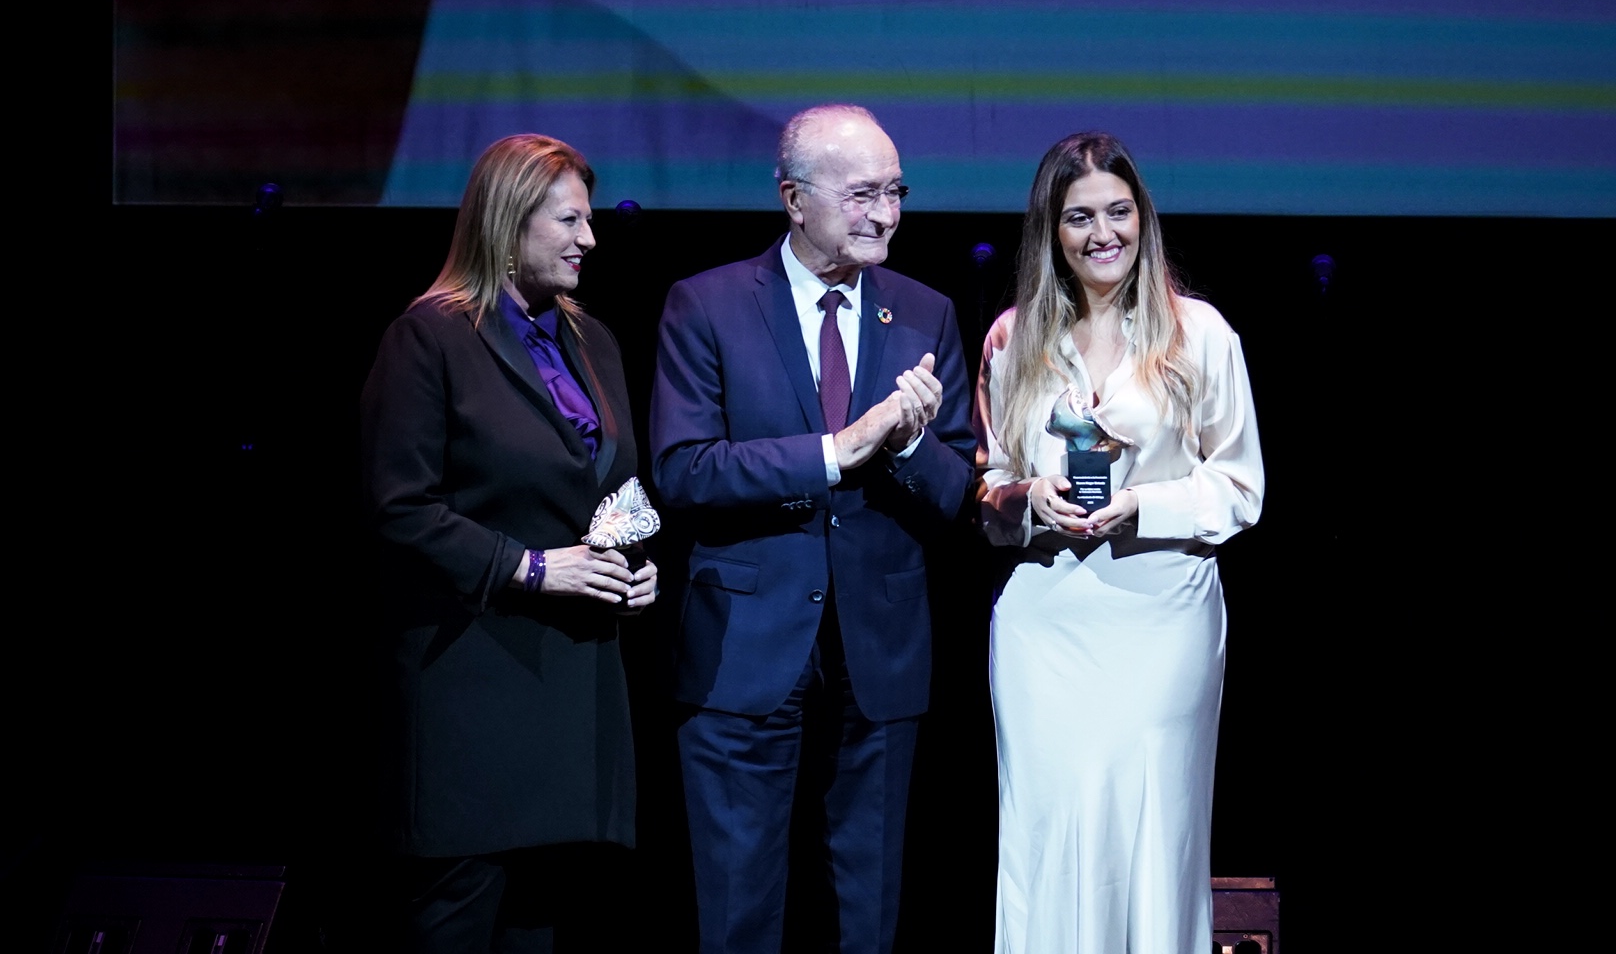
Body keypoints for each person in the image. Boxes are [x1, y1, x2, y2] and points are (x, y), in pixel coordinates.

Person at [650, 105, 976, 953]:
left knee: (867, 916)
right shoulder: (708, 304)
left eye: (895, 192)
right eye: (862, 194)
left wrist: (905, 443)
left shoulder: (924, 312)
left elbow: (958, 492)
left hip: (880, 647)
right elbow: (685, 470)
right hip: (746, 646)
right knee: (738, 913)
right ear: (795, 199)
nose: (887, 214)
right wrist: (838, 450)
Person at [360, 134, 658, 952]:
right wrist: (525, 568)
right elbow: (400, 508)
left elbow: (613, 488)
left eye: (589, 221)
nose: (589, 240)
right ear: (507, 221)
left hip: (573, 687)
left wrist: (634, 567)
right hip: (474, 687)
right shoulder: (429, 340)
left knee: (540, 931)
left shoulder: (591, 341)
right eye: (568, 220)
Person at [975, 132, 1264, 954]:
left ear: (1143, 219)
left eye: (1118, 211)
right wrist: (1031, 497)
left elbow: (1242, 487)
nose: (1103, 233)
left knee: (1150, 830)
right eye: (1078, 217)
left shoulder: (1198, 334)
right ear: (1051, 232)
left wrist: (1141, 503)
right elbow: (989, 491)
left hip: (1161, 614)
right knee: (1049, 835)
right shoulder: (1012, 339)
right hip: (1047, 618)